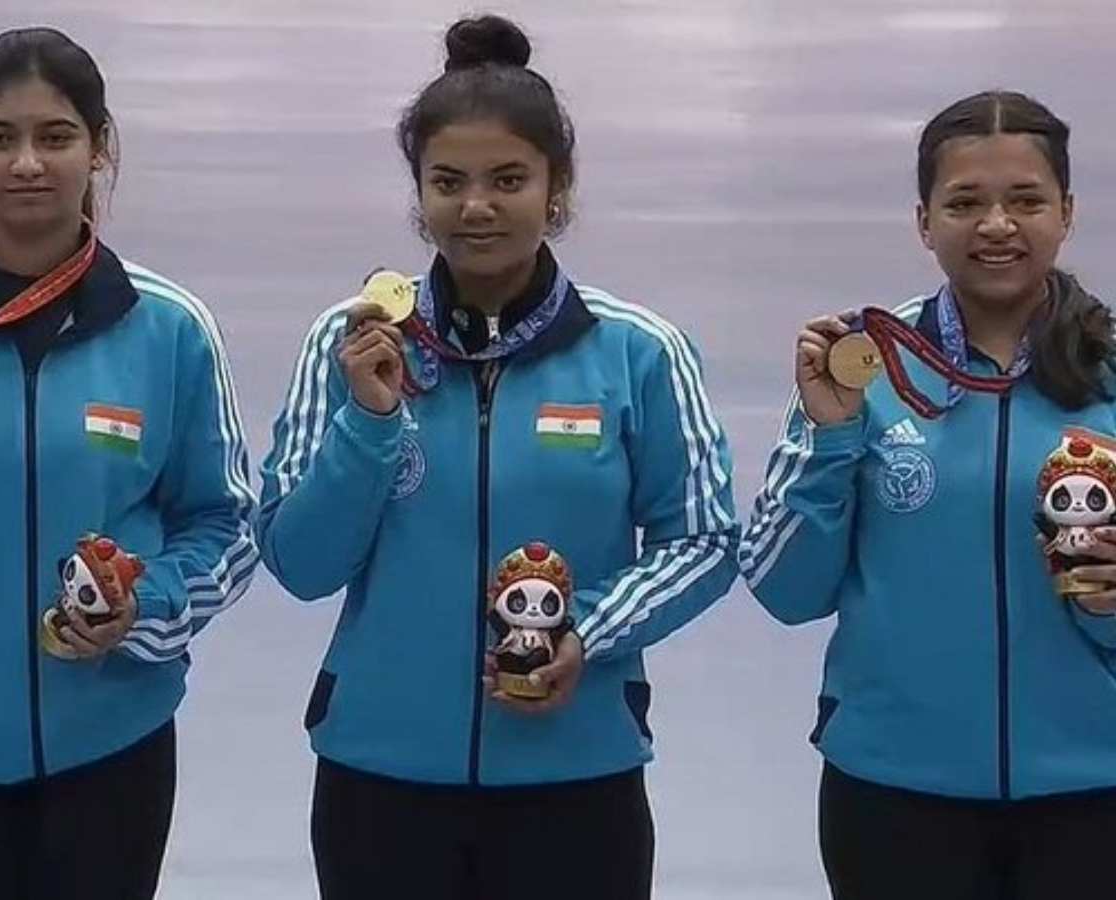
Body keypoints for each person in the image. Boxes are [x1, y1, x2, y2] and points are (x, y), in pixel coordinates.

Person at [258, 14, 738, 899]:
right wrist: (368, 422)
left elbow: (705, 541)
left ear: (557, 189)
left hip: (576, 780)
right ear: (419, 195)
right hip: (381, 779)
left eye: (507, 180)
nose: (476, 206)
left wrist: (588, 632)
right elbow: (298, 562)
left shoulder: (639, 350)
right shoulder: (351, 339)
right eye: (448, 182)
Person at [739, 90, 1116, 899]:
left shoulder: (1110, 368)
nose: (996, 225)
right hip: (895, 798)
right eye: (965, 202)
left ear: (1067, 211)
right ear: (923, 221)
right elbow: (783, 588)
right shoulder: (865, 368)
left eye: (1026, 200)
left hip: (1095, 793)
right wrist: (831, 436)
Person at [0, 27, 257, 900]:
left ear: (100, 149)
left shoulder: (170, 326)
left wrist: (147, 607)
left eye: (56, 136)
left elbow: (225, 522)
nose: (27, 162)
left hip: (107, 750)